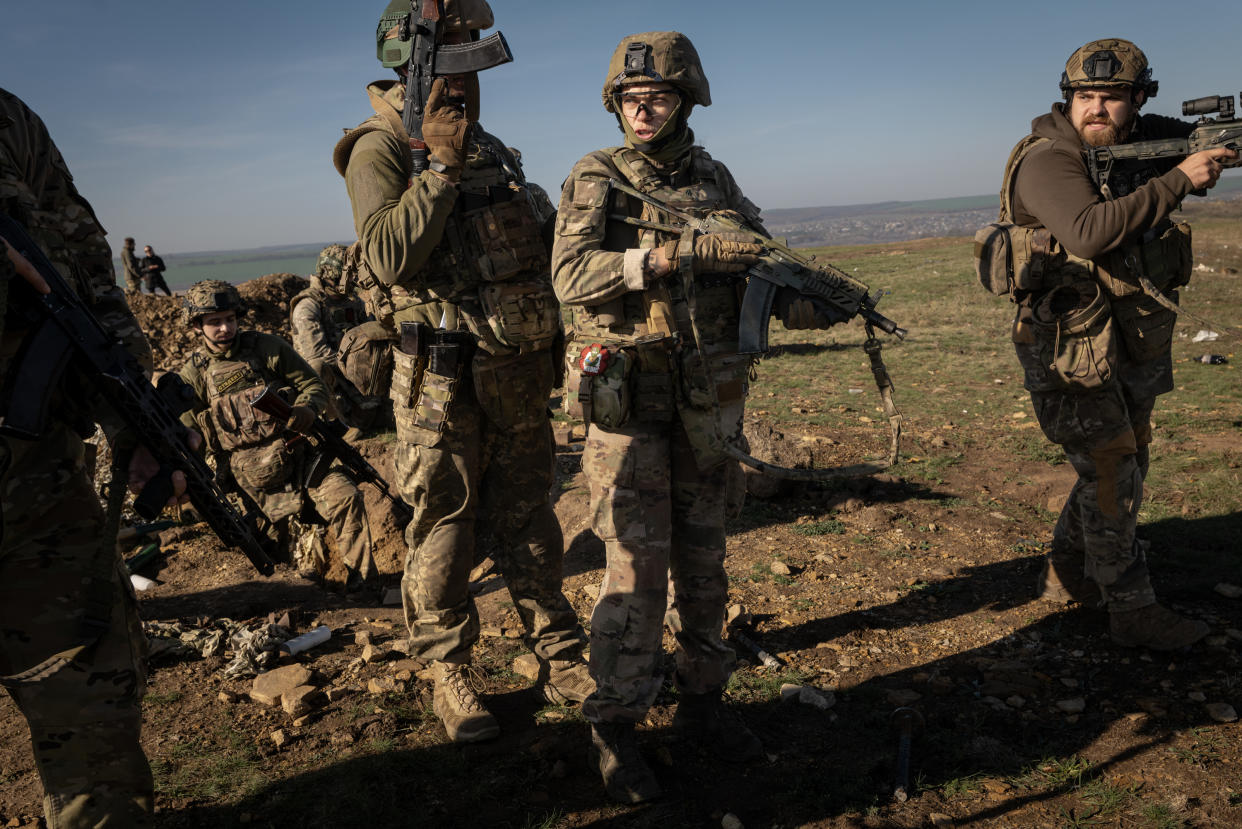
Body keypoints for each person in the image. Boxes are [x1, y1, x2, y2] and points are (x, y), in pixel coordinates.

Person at [551, 31, 843, 802]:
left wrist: (805, 299)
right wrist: (664, 259)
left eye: (659, 98)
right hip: (631, 406)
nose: (643, 111)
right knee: (637, 573)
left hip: (708, 406)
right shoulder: (597, 175)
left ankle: (704, 702)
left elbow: (756, 256)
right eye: (631, 99)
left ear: (687, 101)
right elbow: (569, 276)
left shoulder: (712, 176)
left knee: (705, 561)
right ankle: (615, 727)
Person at [334, 0, 592, 744]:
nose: (467, 77)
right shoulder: (379, 149)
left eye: (473, 53)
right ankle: (450, 669)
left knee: (531, 521)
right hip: (438, 385)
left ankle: (559, 651)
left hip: (513, 372)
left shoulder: (495, 150)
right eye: (452, 55)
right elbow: (387, 256)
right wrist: (439, 167)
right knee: (444, 531)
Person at [998, 38, 1236, 649]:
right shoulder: (1049, 158)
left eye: (1110, 97)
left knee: (1130, 457)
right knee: (1112, 468)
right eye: (1084, 97)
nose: (1095, 108)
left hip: (1126, 334)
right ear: (1067, 99)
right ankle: (1132, 610)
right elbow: (1086, 233)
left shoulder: (1137, 141)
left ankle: (1067, 571)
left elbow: (1191, 146)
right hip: (1068, 344)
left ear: (1136, 101)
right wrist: (1177, 180)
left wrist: (1207, 151)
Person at [0, 87, 179, 828]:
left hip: (36, 485)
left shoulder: (11, 121)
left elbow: (84, 271)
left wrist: (125, 405)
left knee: (97, 691)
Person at [177, 280, 376, 588]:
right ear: (196, 325)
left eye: (230, 319)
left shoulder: (267, 348)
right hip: (248, 482)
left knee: (346, 498)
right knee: (265, 552)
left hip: (301, 461)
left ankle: (363, 584)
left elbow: (314, 385)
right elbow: (188, 433)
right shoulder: (194, 373)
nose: (225, 329)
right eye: (214, 322)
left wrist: (306, 409)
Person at [289, 243, 368, 429]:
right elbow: (316, 355)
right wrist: (356, 365)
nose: (356, 276)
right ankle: (336, 424)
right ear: (333, 273)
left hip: (357, 375)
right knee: (317, 366)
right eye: (351, 271)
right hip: (331, 382)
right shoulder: (308, 305)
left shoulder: (354, 302)